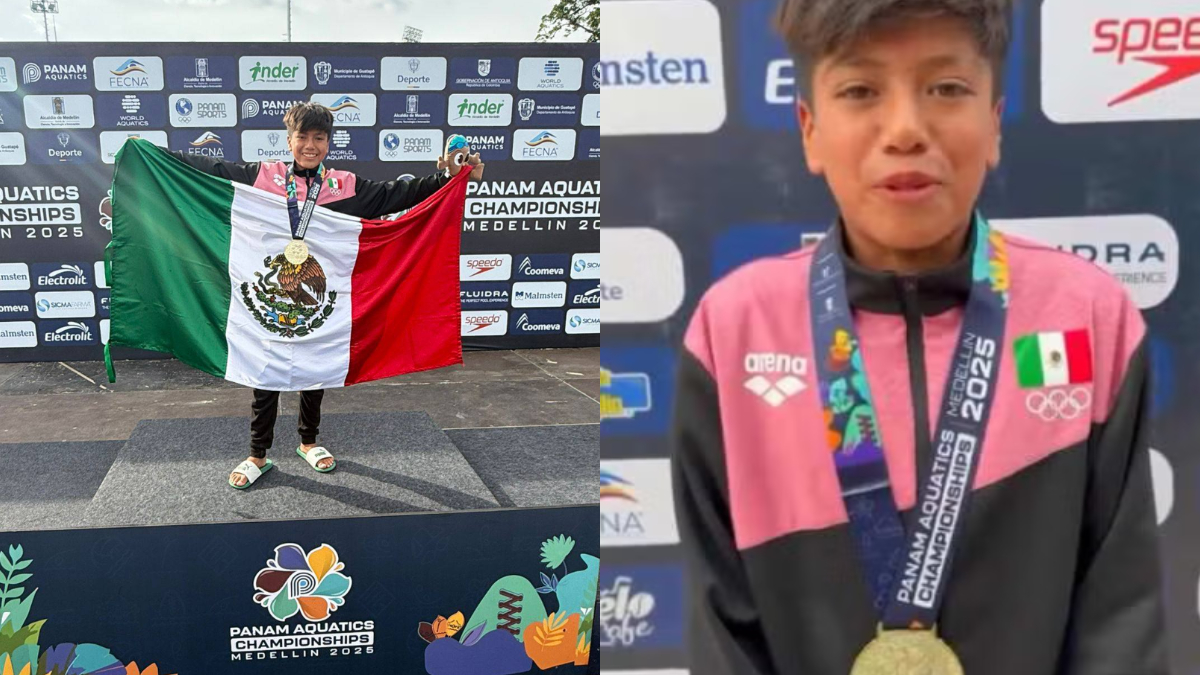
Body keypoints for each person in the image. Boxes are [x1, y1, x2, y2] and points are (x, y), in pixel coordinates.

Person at [670, 1, 1168, 673]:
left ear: (994, 124)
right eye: (860, 90)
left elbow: (1121, 622)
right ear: (810, 131)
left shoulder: (1089, 316)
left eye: (946, 88)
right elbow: (721, 628)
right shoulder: (732, 330)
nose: (905, 129)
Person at [168, 102, 483, 489]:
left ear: (329, 143)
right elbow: (208, 171)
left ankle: (308, 442)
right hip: (270, 300)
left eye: (319, 138)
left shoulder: (343, 186)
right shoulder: (263, 178)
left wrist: (449, 178)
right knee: (264, 375)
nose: (310, 145)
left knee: (314, 370)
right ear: (290, 140)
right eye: (303, 137)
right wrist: (152, 154)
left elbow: (395, 195)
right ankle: (257, 454)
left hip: (320, 299)